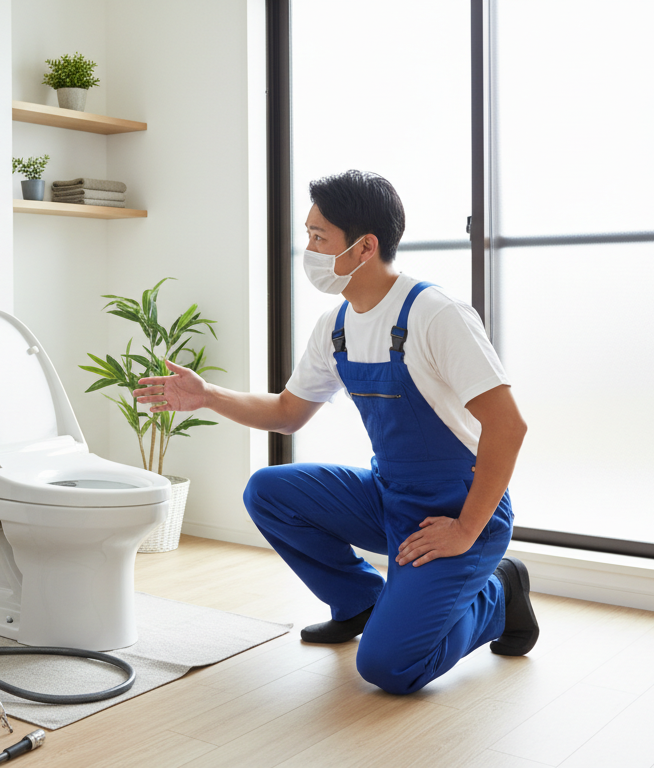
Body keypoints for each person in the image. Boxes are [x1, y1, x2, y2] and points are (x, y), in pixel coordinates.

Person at [134, 170, 539, 695]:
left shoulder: (435, 314)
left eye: (318, 237)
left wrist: (464, 529)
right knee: (269, 490)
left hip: (457, 511)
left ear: (365, 246)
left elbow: (508, 427)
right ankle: (361, 601)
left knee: (388, 669)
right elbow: (286, 412)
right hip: (391, 497)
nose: (308, 249)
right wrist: (208, 396)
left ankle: (500, 595)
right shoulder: (337, 325)